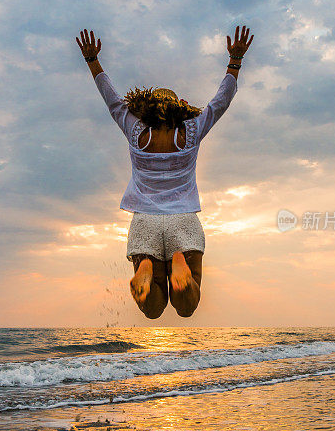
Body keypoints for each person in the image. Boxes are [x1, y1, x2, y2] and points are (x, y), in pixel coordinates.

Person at [76, 25, 253, 319]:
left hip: (145, 222)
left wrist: (93, 61)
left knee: (153, 309)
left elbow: (110, 98)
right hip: (182, 220)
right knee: (186, 306)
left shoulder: (135, 131)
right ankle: (179, 266)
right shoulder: (191, 131)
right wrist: (234, 62)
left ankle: (147, 270)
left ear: (145, 108)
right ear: (178, 108)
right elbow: (220, 102)